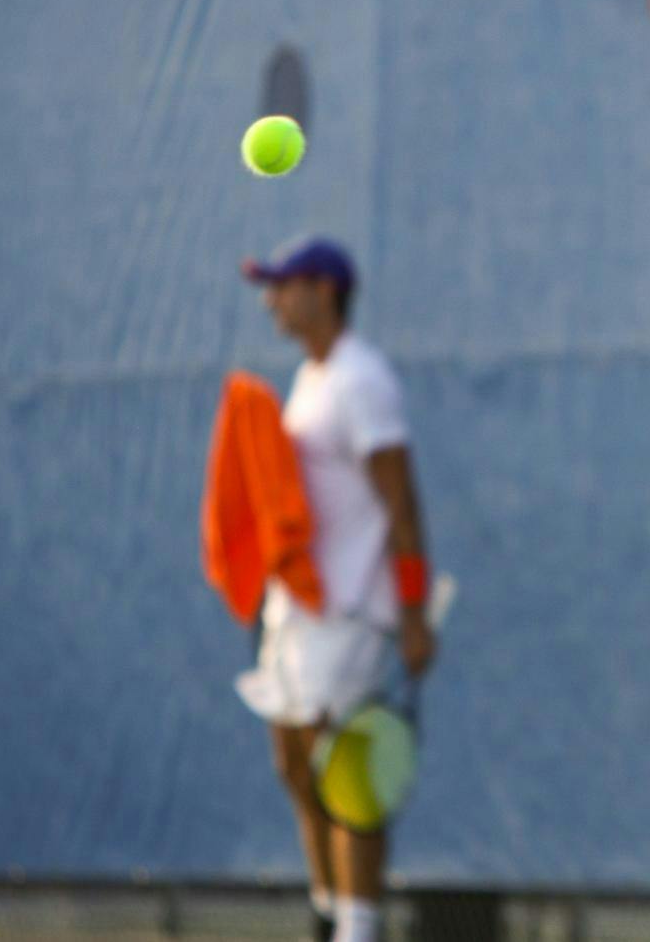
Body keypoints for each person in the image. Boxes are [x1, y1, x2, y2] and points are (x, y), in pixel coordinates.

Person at [235, 236, 437, 942]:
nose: (271, 300)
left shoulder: (362, 379)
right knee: (293, 757)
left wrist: (413, 612)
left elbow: (401, 501)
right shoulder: (312, 378)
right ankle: (327, 910)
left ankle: (358, 927)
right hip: (299, 608)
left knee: (347, 773)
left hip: (350, 611)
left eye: (282, 285)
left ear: (323, 291)